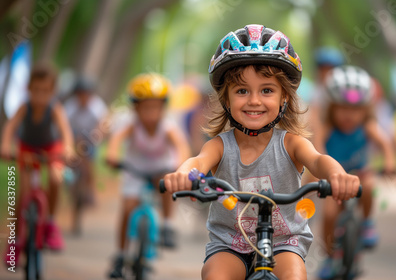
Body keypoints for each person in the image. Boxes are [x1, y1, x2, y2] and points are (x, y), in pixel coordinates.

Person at [161, 24, 361, 280]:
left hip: (283, 243)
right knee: (215, 276)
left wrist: (338, 175)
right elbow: (197, 161)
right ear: (226, 99)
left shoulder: (292, 144)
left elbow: (318, 160)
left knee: (294, 276)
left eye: (266, 90)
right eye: (242, 91)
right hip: (230, 244)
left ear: (284, 98)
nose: (254, 100)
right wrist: (182, 174)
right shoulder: (220, 146)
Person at [105, 72, 190, 278]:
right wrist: (112, 155)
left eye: (156, 107)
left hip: (161, 167)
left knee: (168, 185)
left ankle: (167, 225)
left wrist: (182, 165)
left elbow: (181, 145)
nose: (151, 113)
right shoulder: (131, 124)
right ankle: (121, 255)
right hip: (134, 168)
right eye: (145, 108)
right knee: (127, 208)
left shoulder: (167, 126)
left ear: (163, 108)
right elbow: (116, 140)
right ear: (135, 108)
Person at [315, 65, 396, 279]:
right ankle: (330, 256)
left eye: (356, 109)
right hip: (334, 179)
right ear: (332, 108)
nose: (349, 115)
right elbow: (317, 147)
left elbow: (385, 143)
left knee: (368, 187)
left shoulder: (368, 126)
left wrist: (389, 162)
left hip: (360, 174)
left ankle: (367, 222)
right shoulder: (328, 126)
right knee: (330, 215)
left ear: (366, 110)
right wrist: (320, 168)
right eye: (342, 108)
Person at [1, 62, 75, 266]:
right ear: (28, 89)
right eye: (36, 91)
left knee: (55, 178)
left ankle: (50, 223)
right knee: (22, 193)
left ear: (53, 92)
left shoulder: (55, 109)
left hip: (50, 149)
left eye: (45, 91)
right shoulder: (24, 107)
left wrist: (68, 148)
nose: (40, 96)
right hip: (26, 149)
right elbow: (10, 128)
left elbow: (65, 131)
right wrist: (6, 145)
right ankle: (14, 242)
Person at [64, 76, 108, 234]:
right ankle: (69, 183)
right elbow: (65, 127)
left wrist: (96, 136)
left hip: (90, 139)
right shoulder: (70, 107)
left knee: (89, 164)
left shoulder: (97, 106)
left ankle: (90, 187)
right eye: (81, 94)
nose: (84, 98)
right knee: (68, 164)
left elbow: (103, 125)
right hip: (73, 138)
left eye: (87, 94)